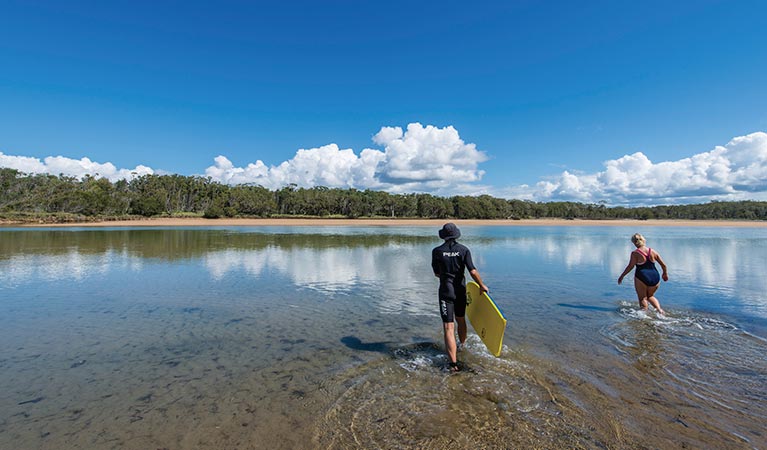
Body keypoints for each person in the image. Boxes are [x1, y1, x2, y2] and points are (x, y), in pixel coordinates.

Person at [431, 223, 489, 372]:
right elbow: (473, 272)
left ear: (443, 236)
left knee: (448, 327)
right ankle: (461, 346)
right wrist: (482, 285)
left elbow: (437, 273)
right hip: (460, 290)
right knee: (461, 319)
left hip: (446, 292)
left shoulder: (437, 251)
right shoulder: (463, 250)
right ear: (456, 235)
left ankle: (453, 365)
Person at [618, 233, 669, 315]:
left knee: (643, 298)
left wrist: (622, 276)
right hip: (655, 277)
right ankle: (660, 310)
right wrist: (665, 274)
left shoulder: (635, 253)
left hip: (642, 277)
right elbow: (663, 265)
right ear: (644, 240)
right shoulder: (652, 251)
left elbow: (630, 266)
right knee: (650, 296)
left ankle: (643, 317)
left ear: (634, 243)